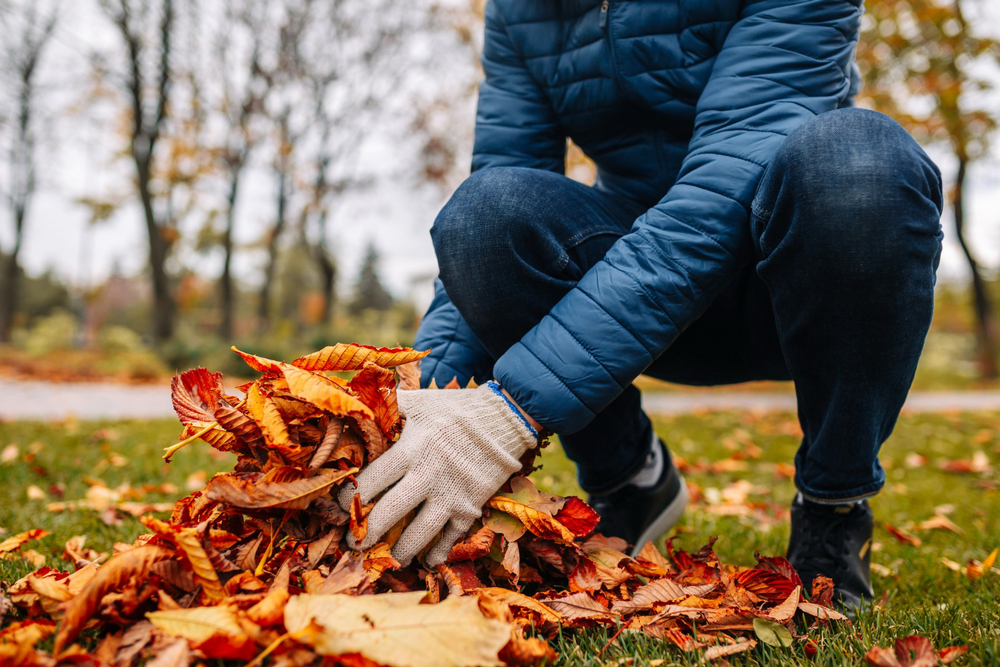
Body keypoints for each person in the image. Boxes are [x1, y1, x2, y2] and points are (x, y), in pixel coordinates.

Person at [338, 0, 943, 611]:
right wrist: (411, 408)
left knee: (858, 162)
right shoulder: (521, 11)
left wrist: (511, 409)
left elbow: (722, 188)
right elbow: (498, 187)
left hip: (793, 290)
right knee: (482, 216)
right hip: (640, 308)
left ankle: (832, 509)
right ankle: (630, 479)